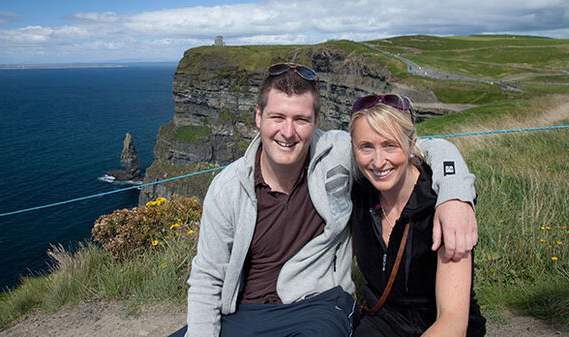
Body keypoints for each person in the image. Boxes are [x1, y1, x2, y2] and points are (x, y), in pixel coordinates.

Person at [170, 63, 478, 337]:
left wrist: (455, 195)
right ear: (258, 117)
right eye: (277, 117)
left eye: (301, 119)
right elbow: (208, 276)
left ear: (317, 121)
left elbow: (423, 149)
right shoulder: (227, 188)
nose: (288, 132)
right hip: (243, 311)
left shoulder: (339, 155)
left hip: (316, 304)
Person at [348, 94, 486, 337]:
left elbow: (453, 320)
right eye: (366, 147)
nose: (378, 162)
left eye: (390, 145)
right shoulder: (359, 194)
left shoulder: (442, 205)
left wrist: (457, 196)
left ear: (412, 145)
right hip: (383, 322)